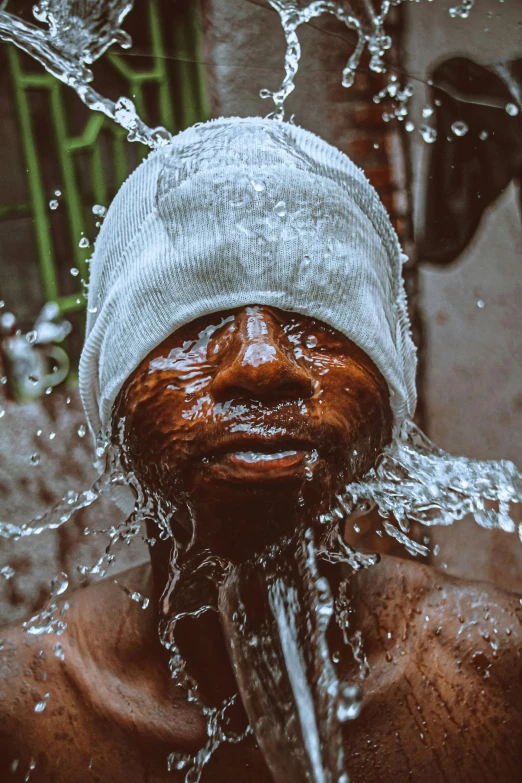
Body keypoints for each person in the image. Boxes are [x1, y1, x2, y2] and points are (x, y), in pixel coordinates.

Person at [0, 117, 521, 782]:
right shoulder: (24, 711)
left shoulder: (499, 676)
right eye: (191, 315)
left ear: (389, 385)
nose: (261, 361)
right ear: (111, 389)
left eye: (317, 313)